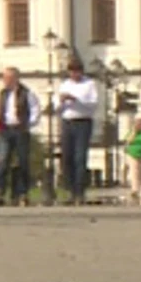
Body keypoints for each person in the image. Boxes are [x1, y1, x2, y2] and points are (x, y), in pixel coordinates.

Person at [55, 57, 99, 205]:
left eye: (77, 71)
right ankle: (70, 190)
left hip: (83, 122)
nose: (75, 74)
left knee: (80, 157)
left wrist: (76, 99)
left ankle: (80, 191)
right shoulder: (64, 85)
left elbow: (93, 104)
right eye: (72, 72)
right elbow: (56, 108)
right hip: (67, 122)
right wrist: (61, 102)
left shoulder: (89, 84)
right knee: (67, 157)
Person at [0, 66, 39, 207]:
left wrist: (27, 124)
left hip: (20, 130)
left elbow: (35, 110)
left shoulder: (27, 93)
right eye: (4, 78)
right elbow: (1, 110)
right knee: (2, 161)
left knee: (22, 162)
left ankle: (22, 193)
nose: (5, 81)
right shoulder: (2, 93)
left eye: (8, 78)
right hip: (5, 130)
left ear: (15, 78)